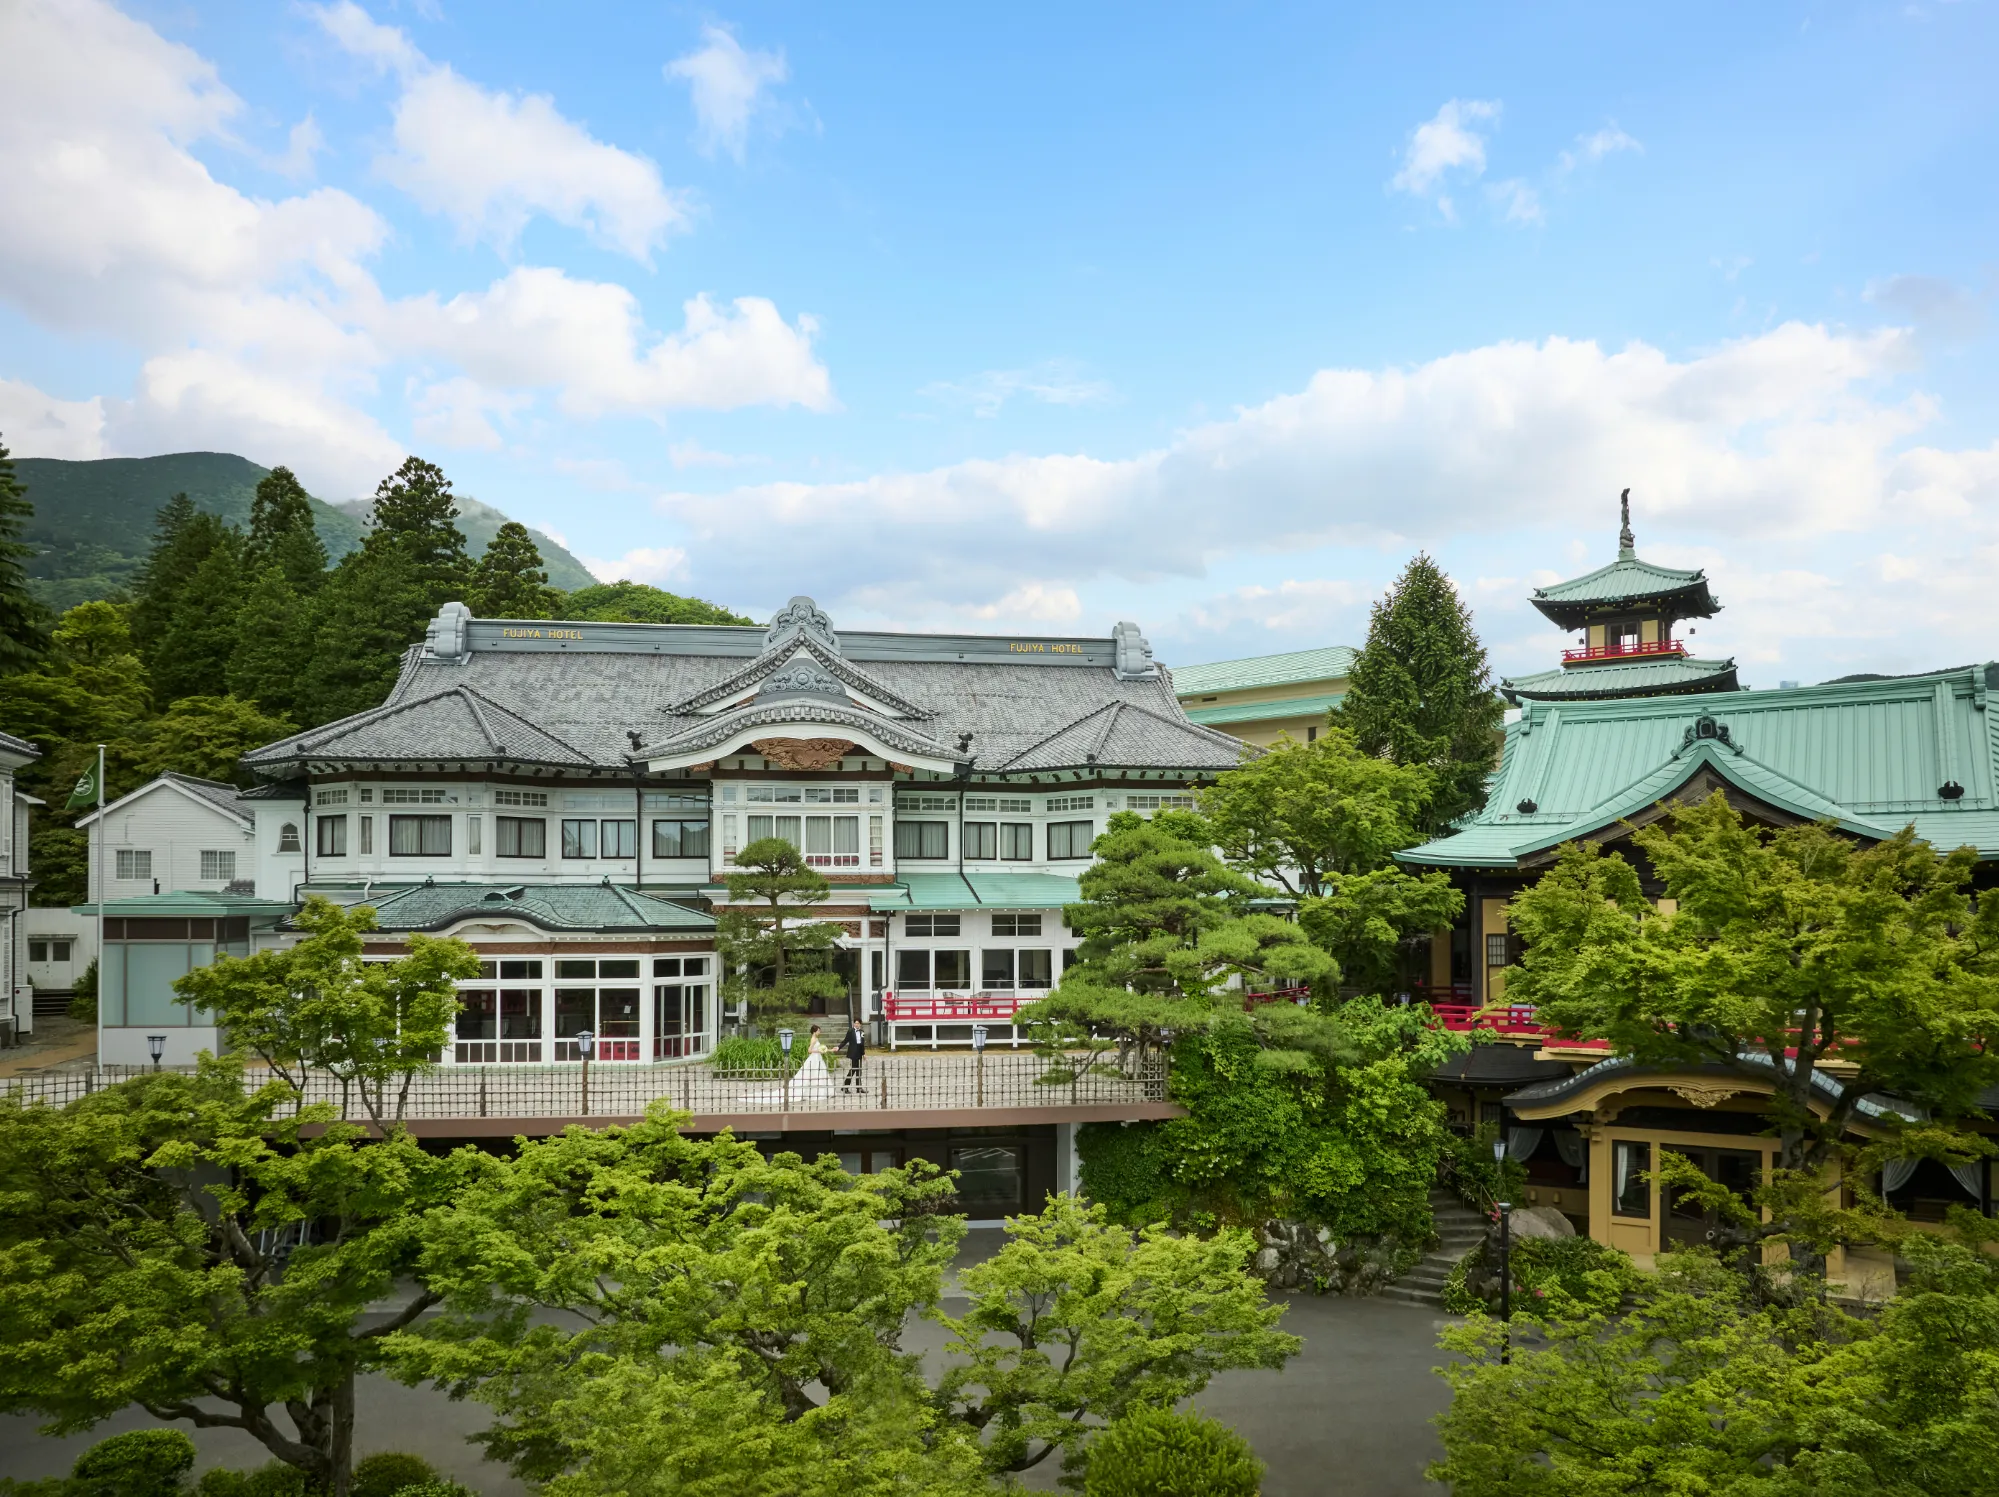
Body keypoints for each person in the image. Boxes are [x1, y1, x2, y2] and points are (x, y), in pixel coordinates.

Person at [841, 1017, 867, 1093]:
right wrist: (838, 1047)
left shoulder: (862, 1032)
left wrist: (863, 1053)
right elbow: (845, 1041)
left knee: (859, 1071)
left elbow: (862, 1044)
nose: (856, 1024)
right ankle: (845, 1087)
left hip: (859, 1052)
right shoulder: (850, 1031)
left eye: (858, 1023)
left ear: (860, 1024)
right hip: (853, 1053)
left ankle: (859, 1088)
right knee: (853, 1070)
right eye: (855, 1023)